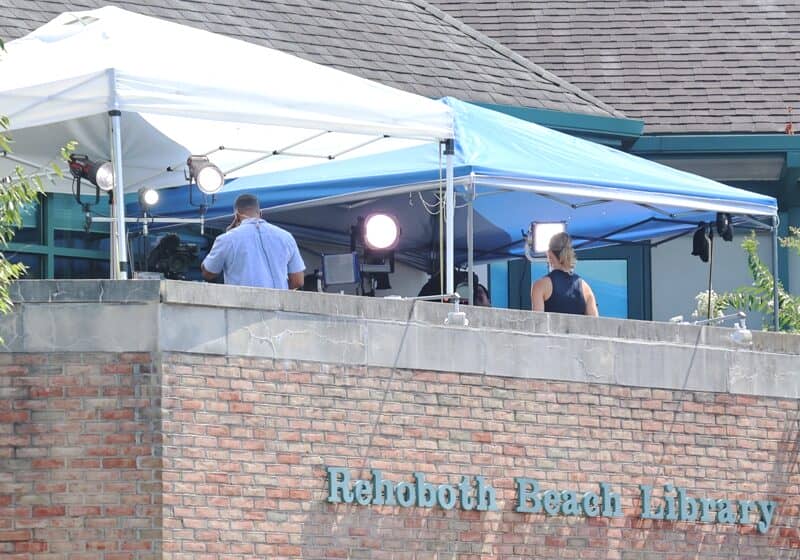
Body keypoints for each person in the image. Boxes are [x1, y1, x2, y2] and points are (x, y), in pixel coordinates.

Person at [201, 193, 305, 289]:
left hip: (243, 306)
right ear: (260, 213)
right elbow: (298, 281)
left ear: (236, 216)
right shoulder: (286, 237)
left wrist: (228, 234)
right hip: (278, 306)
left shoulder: (227, 239)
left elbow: (208, 273)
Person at [530, 232, 598, 316]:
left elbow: (537, 323)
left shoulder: (540, 286)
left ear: (549, 254)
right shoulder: (586, 288)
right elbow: (595, 325)